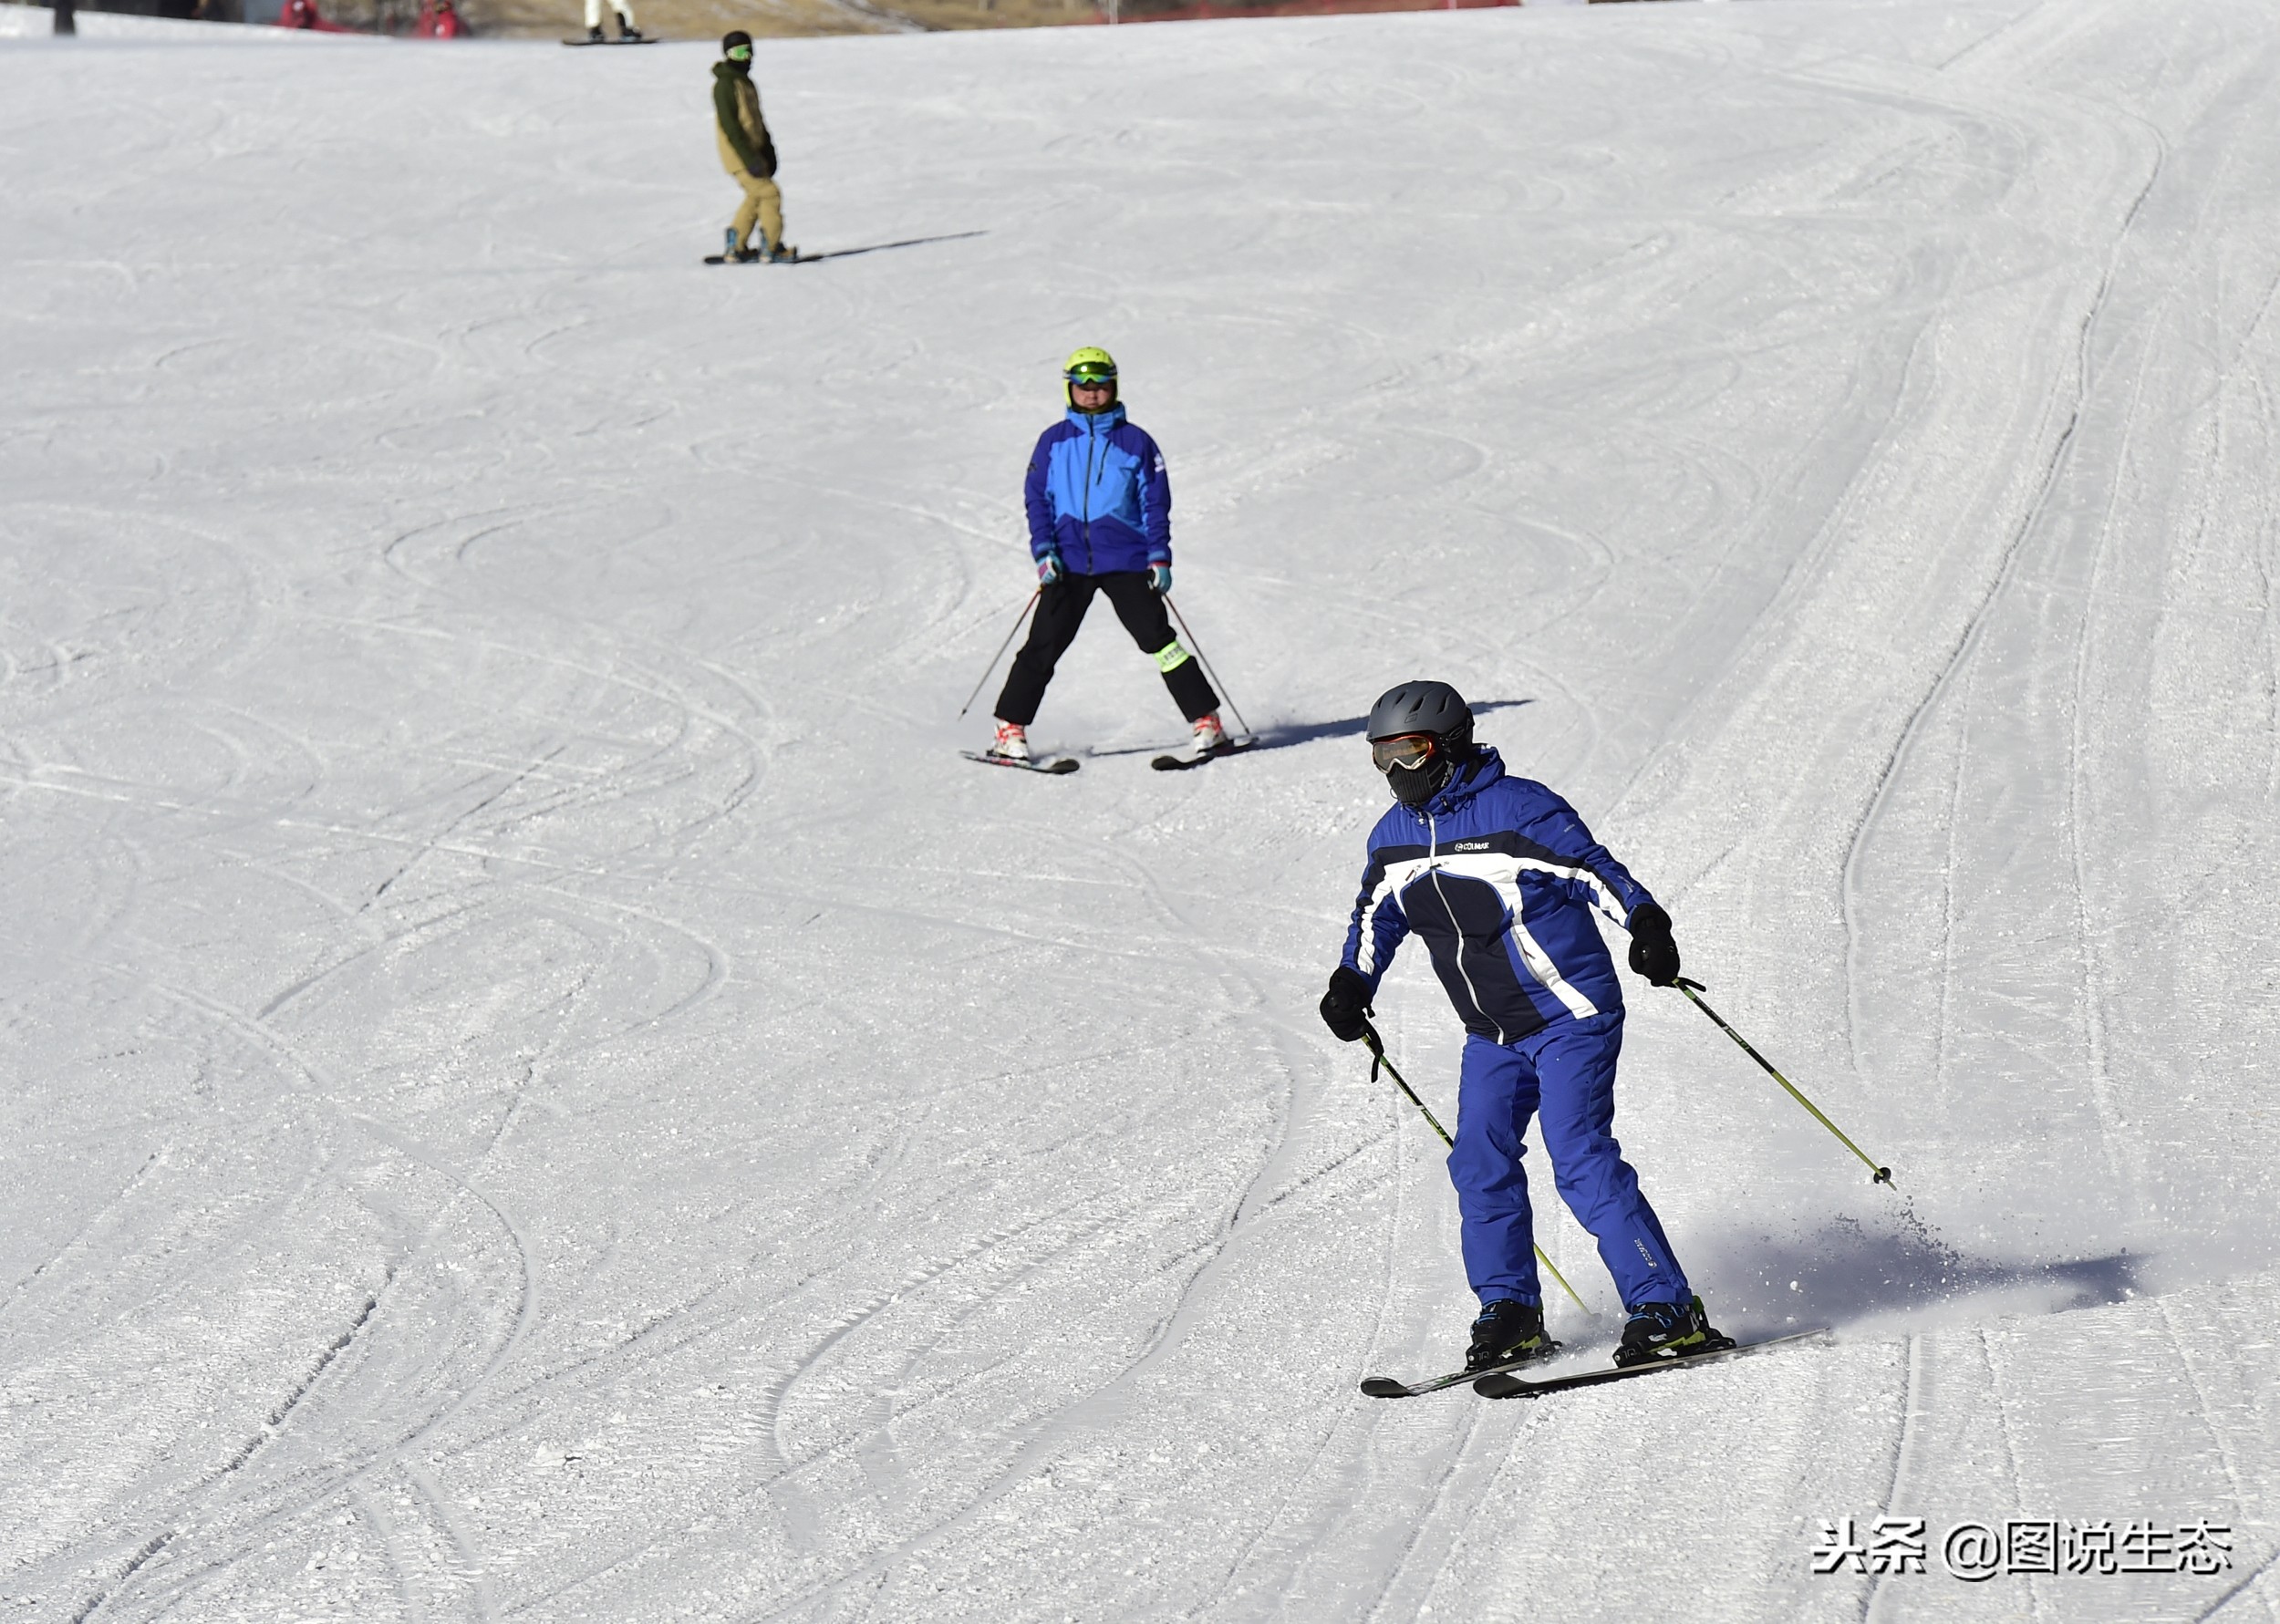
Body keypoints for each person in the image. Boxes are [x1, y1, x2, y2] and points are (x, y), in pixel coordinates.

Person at [1318, 679, 1732, 1372]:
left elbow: (1592, 871)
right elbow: (1376, 916)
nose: (1394, 772)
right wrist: (1351, 980)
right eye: (1381, 756)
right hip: (1493, 1033)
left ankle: (1669, 1308)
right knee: (1478, 1160)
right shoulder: (1391, 839)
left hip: (1571, 1014)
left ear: (1446, 747)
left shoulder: (1519, 810)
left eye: (1409, 753)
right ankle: (1510, 1310)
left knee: (1578, 1156)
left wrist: (1646, 922)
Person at [986, 348, 1225, 763]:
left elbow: (1155, 503)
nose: (1092, 394)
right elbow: (1036, 501)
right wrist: (1044, 553)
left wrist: (1159, 558)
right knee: (1042, 645)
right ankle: (1010, 729)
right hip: (1068, 563)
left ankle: (1207, 722)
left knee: (1161, 643)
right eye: (1084, 386)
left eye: (1100, 385)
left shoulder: (1136, 442)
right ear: (1070, 389)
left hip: (1127, 561)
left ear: (1113, 387)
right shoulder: (1053, 442)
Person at [713, 33, 793, 264]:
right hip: (738, 155)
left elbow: (757, 121)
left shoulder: (745, 83)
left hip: (752, 152)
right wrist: (749, 159)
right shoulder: (725, 85)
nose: (746, 57)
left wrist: (768, 150)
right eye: (740, 53)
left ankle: (735, 246)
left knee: (756, 196)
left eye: (749, 51)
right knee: (770, 194)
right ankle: (771, 245)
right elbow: (732, 127)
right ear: (728, 55)